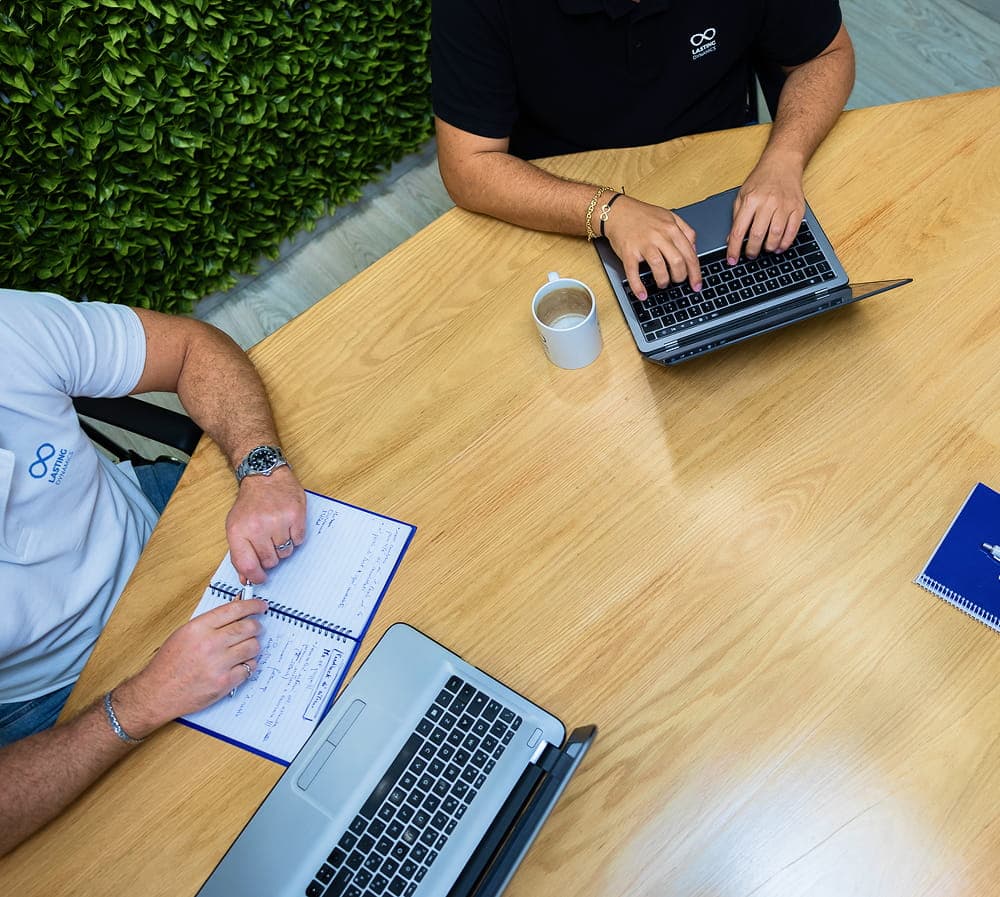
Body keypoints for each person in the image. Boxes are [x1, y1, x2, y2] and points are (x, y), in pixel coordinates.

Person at [0, 288, 307, 855]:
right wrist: (140, 703)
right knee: (232, 827)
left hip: (154, 519)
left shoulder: (7, 328)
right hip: (53, 695)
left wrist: (261, 470)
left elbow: (192, 348)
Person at [431, 0, 856, 301]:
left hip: (730, 177)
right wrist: (607, 211)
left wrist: (784, 160)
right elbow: (468, 166)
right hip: (564, 207)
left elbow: (826, 55)